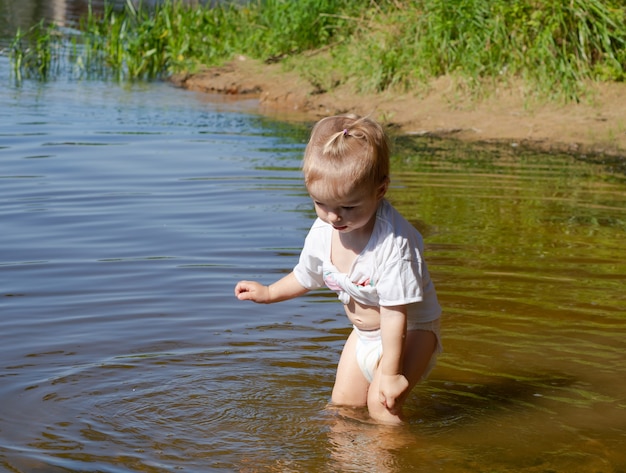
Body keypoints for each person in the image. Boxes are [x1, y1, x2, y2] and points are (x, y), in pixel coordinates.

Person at [234, 114, 442, 424]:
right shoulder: (324, 231)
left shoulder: (395, 245)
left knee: (381, 407)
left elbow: (395, 312)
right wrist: (268, 293)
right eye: (322, 203)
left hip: (410, 332)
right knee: (342, 408)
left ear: (380, 189)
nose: (334, 217)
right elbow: (306, 274)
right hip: (364, 334)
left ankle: (400, 461)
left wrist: (391, 373)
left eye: (348, 207)